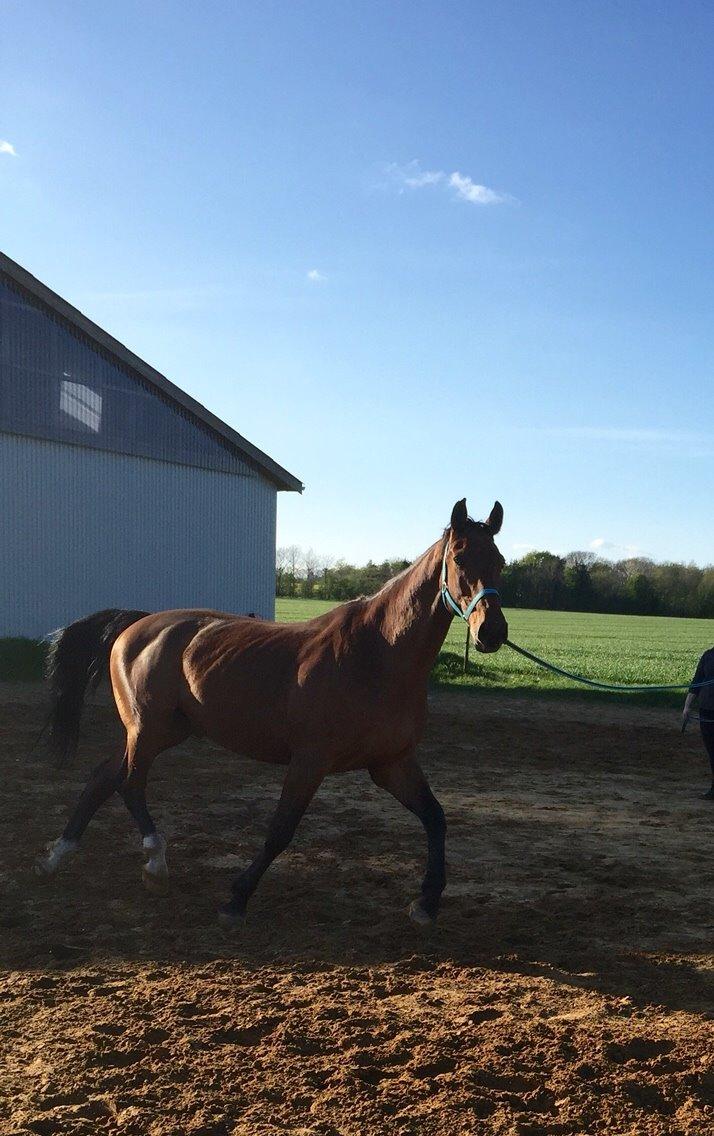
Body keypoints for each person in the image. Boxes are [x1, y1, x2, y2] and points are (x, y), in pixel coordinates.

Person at [682, 646, 714, 800]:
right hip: (707, 709)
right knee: (712, 751)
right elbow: (697, 681)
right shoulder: (708, 656)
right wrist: (687, 706)